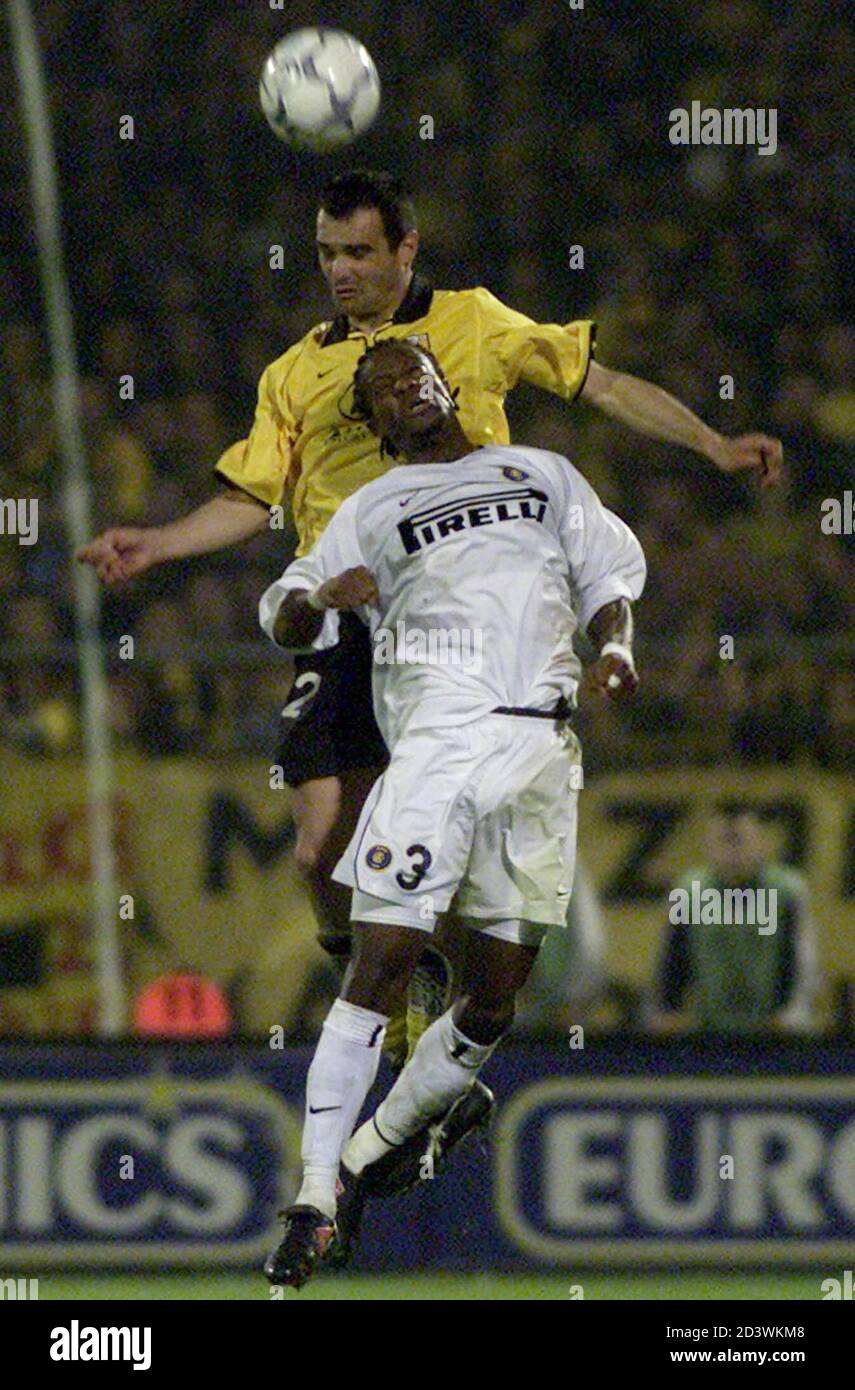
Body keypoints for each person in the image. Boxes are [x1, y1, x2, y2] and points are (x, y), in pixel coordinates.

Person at [77, 169, 782, 1057]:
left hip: (460, 608)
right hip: (343, 602)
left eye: (359, 252)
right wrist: (162, 543)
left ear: (405, 248)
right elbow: (254, 497)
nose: (339, 271)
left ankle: (447, 1035)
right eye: (327, 253)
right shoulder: (293, 372)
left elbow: (598, 383)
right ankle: (396, 989)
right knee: (316, 850)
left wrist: (712, 443)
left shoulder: (474, 321)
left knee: (444, 854)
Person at [257, 337, 646, 1288]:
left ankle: (359, 1163)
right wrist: (317, 601)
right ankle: (310, 1198)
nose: (408, 386)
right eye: (385, 386)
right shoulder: (371, 507)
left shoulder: (543, 473)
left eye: (418, 370)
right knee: (381, 958)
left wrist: (618, 649)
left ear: (445, 382)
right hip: (435, 742)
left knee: (497, 993)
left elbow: (607, 579)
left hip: (544, 750)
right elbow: (279, 610)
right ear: (376, 422)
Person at [649, 803, 820, 1034]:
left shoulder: (786, 891)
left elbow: (802, 961)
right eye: (723, 840)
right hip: (707, 1032)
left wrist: (791, 1014)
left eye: (739, 840)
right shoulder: (689, 892)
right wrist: (667, 1012)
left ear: (760, 842)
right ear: (708, 845)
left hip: (775, 1032)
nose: (732, 851)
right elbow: (672, 961)